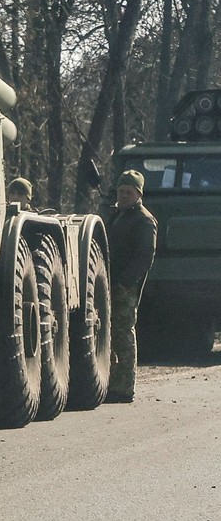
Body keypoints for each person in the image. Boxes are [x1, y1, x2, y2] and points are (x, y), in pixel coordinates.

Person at [105, 169, 157, 404]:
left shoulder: (144, 220)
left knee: (124, 333)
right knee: (111, 333)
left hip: (125, 287)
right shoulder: (117, 215)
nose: (123, 195)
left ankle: (125, 388)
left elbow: (144, 257)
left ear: (138, 194)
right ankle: (112, 383)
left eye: (128, 192)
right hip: (110, 283)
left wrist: (125, 283)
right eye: (121, 191)